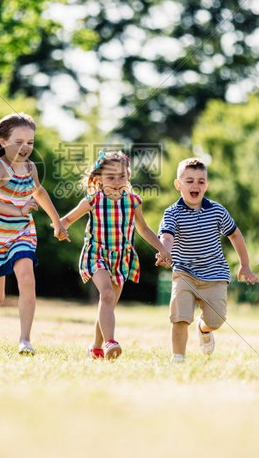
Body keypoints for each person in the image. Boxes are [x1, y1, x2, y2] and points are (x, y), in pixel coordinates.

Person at [0, 113, 67, 356]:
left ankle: (25, 340)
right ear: (4, 141)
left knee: (27, 277)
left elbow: (39, 192)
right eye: (19, 142)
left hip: (21, 232)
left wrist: (57, 222)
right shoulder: (0, 167)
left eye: (30, 142)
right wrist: (18, 209)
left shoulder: (30, 168)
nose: (25, 147)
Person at [59, 151, 171, 360]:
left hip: (121, 258)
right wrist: (60, 228)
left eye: (122, 176)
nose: (117, 181)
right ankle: (111, 341)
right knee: (107, 295)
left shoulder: (133, 202)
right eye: (111, 177)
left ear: (128, 176)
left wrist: (162, 248)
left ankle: (97, 346)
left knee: (107, 303)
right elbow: (66, 219)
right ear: (99, 178)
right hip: (96, 254)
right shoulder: (92, 201)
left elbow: (144, 229)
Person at [158, 157, 259, 363]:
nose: (195, 185)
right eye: (189, 181)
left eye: (200, 181)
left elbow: (235, 235)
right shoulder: (173, 213)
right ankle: (178, 359)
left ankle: (203, 329)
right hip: (184, 273)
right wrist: (165, 252)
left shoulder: (217, 211)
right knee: (179, 318)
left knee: (217, 320)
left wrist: (245, 265)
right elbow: (167, 236)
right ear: (178, 185)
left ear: (206, 185)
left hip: (214, 274)